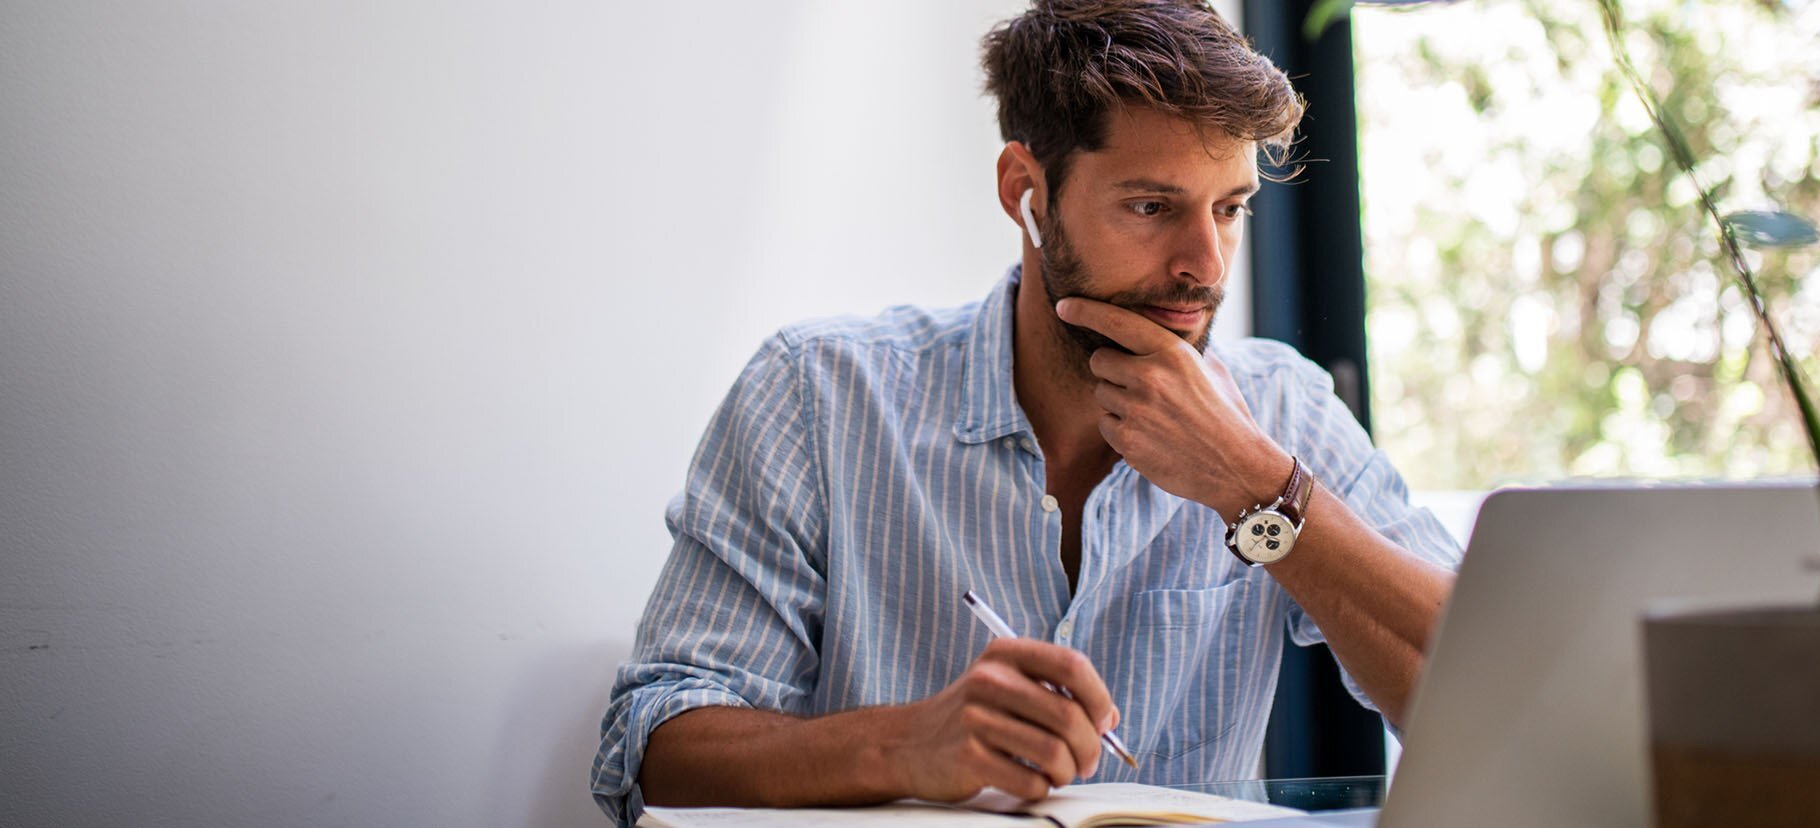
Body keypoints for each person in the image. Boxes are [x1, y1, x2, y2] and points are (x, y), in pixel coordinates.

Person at [590, 1, 1460, 823]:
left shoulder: (1283, 410)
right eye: (1151, 207)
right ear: (1025, 190)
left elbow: (1481, 694)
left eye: (1228, 210)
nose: (1205, 265)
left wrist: (1260, 489)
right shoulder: (817, 395)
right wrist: (904, 746)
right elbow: (652, 750)